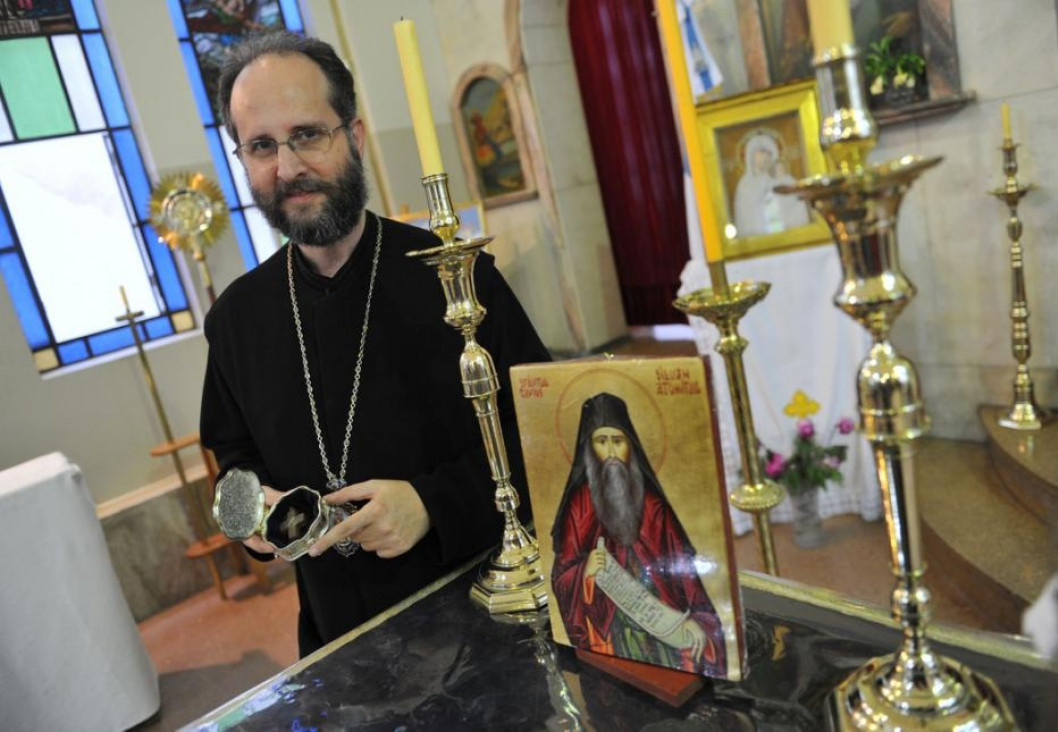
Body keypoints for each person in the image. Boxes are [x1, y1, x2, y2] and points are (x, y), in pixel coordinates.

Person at [200, 31, 550, 657]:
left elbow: (546, 431)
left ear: (354, 137)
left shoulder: (456, 275)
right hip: (339, 637)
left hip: (486, 617)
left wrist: (430, 504)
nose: (287, 168)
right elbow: (233, 458)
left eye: (308, 134)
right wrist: (251, 510)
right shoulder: (235, 320)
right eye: (260, 146)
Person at [550, 393, 726, 677]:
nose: (609, 453)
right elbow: (561, 575)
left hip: (665, 625)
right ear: (589, 448)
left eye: (617, 442)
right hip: (612, 631)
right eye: (601, 441)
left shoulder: (653, 506)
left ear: (630, 446)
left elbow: (685, 574)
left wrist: (696, 619)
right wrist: (585, 572)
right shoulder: (579, 505)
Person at [732, 131, 809, 237]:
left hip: (788, 236)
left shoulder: (783, 180)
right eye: (762, 152)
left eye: (769, 153)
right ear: (751, 154)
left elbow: (797, 206)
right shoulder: (745, 185)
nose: (766, 156)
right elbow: (744, 218)